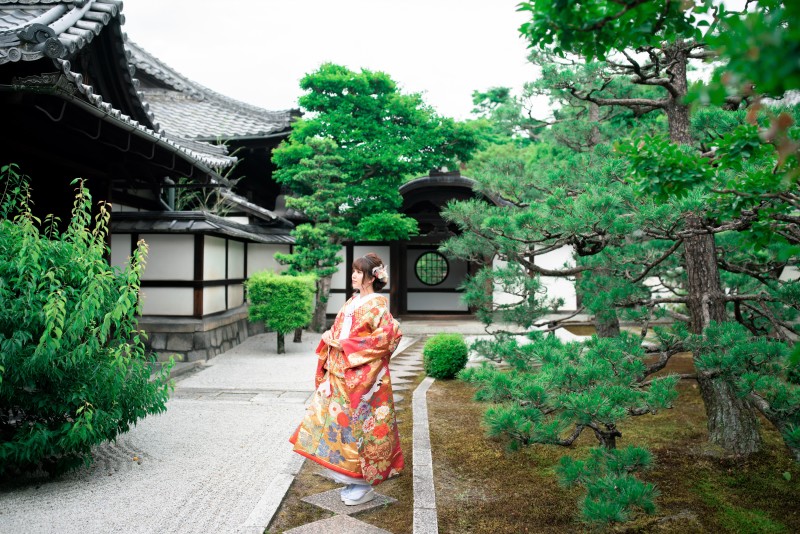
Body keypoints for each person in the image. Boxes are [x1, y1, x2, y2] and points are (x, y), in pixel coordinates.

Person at [289, 252, 404, 506]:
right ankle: (351, 478)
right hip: (339, 373)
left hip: (361, 379)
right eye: (353, 270)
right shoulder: (352, 301)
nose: (353, 275)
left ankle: (364, 483)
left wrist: (345, 344)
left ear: (372, 277)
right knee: (337, 426)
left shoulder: (377, 305)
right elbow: (340, 329)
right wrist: (330, 334)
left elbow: (388, 337)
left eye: (358, 272)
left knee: (359, 428)